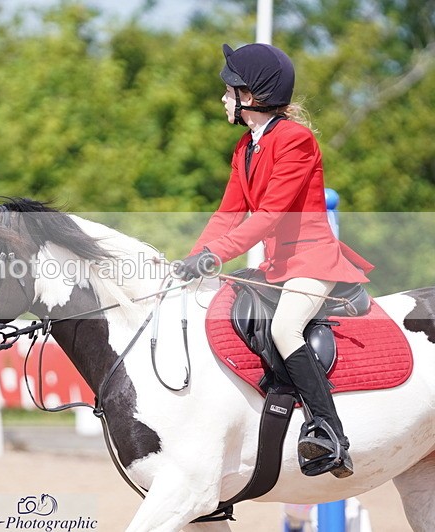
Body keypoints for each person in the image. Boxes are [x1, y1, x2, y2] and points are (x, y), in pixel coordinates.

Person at [175, 43, 374, 478]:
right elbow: (228, 214)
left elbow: (269, 216)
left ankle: (329, 433)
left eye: (229, 91)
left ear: (251, 95)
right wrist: (191, 261)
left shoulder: (295, 140)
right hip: (277, 267)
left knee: (285, 327)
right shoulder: (246, 147)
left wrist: (214, 256)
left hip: (313, 261)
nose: (223, 98)